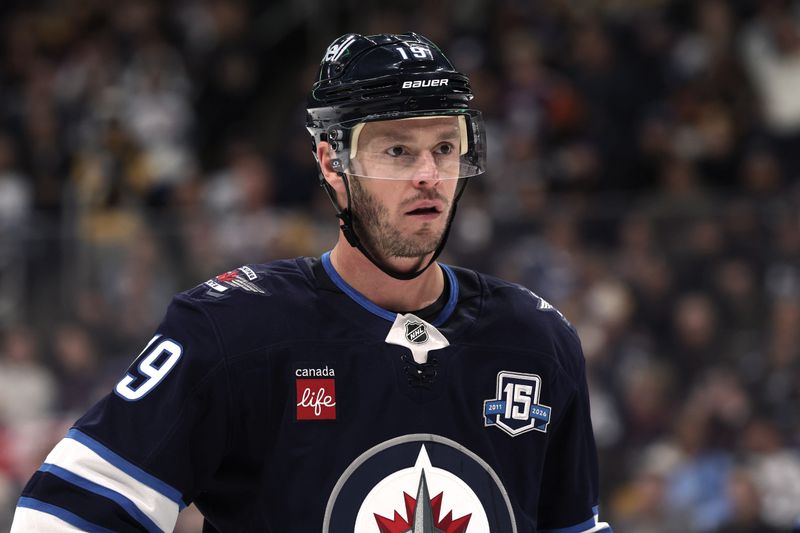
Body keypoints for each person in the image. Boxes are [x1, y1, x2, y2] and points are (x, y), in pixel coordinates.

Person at [11, 32, 612, 533]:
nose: (429, 176)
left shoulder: (537, 340)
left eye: (446, 148)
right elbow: (62, 516)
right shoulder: (230, 329)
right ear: (331, 163)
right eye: (398, 150)